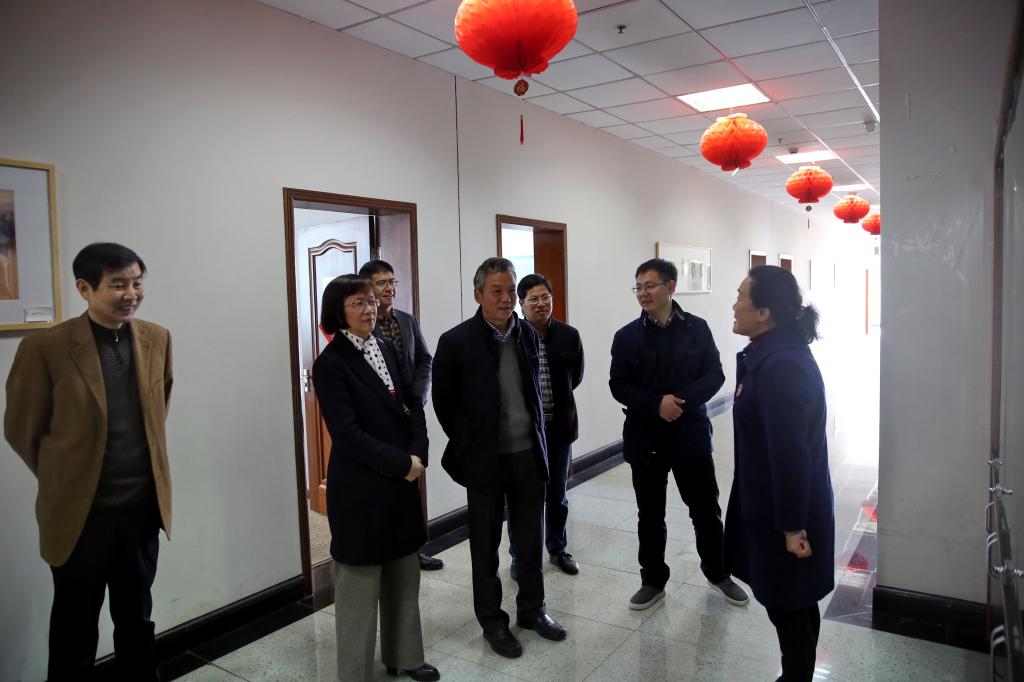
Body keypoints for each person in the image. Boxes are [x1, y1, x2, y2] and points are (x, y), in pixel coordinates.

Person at [4, 242, 172, 681]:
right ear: (84, 288)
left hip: (140, 511)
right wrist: (69, 476)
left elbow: (157, 413)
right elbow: (21, 429)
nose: (131, 294)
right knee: (74, 627)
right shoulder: (46, 348)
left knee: (137, 618)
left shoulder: (157, 338)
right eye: (118, 285)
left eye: (137, 283)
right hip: (81, 517)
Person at [432, 257, 566, 658]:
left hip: (527, 454)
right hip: (484, 460)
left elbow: (535, 392)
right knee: (485, 546)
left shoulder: (527, 334)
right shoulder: (455, 342)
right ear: (478, 295)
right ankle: (492, 621)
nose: (506, 298)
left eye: (510, 290)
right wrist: (470, 444)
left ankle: (532, 610)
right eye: (497, 291)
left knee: (529, 541)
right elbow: (443, 403)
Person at [312, 274, 439, 682]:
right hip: (361, 489)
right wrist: (402, 463)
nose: (369, 309)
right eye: (358, 303)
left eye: (370, 301)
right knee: (359, 586)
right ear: (338, 312)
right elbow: (347, 434)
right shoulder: (330, 364)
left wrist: (419, 452)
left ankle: (406, 656)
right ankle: (355, 673)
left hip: (400, 483)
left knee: (403, 575)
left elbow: (412, 404)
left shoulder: (385, 346)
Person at [610, 258, 749, 611]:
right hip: (646, 437)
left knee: (705, 510)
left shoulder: (697, 329)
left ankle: (719, 573)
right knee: (649, 514)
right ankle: (652, 580)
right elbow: (618, 385)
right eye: (638, 287)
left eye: (650, 286)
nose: (643, 293)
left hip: (689, 434)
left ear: (671, 287)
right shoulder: (626, 336)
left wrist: (680, 404)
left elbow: (715, 374)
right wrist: (656, 404)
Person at [724, 265, 835, 682]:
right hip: (776, 502)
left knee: (788, 604)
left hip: (784, 510)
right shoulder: (770, 353)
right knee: (795, 600)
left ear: (764, 312)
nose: (734, 305)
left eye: (740, 296)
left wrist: (792, 527)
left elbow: (790, 454)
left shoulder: (781, 365)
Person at [358, 259, 443, 572]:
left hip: (411, 414)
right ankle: (384, 550)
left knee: (413, 480)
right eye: (382, 283)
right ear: (367, 288)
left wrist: (418, 395)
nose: (389, 288)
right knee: (384, 481)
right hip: (380, 418)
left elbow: (425, 359)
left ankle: (414, 550)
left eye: (392, 281)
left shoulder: (407, 320)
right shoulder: (363, 326)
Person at [507, 273, 584, 578]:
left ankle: (557, 548)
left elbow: (575, 377)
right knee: (522, 497)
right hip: (524, 432)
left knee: (557, 494)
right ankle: (520, 556)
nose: (541, 304)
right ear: (521, 303)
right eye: (534, 299)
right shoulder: (511, 338)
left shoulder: (569, 335)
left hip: (559, 428)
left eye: (545, 298)